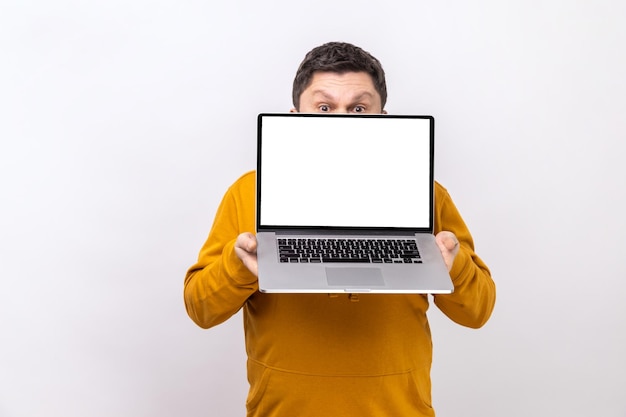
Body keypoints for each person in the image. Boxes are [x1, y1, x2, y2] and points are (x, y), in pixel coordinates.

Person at [184, 41, 496, 417]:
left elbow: (477, 312)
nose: (342, 120)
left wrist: (453, 267)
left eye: (359, 108)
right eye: (325, 107)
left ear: (383, 118)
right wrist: (238, 268)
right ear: (296, 115)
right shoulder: (248, 193)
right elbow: (201, 309)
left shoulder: (428, 196)